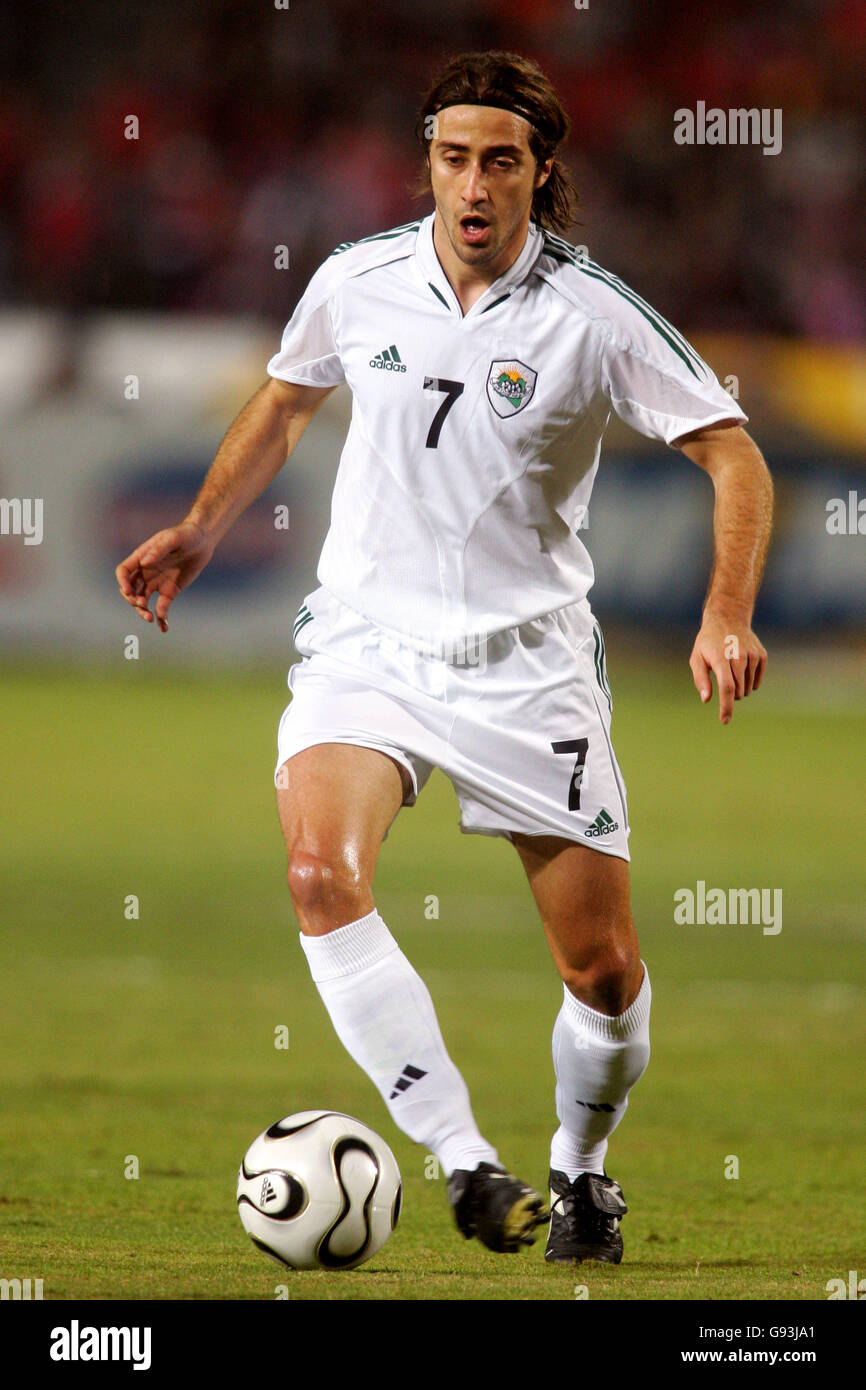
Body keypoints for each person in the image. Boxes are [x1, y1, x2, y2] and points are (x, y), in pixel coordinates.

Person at [116, 51, 772, 1265]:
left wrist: (723, 611)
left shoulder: (590, 313)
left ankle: (580, 1172)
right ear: (426, 161)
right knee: (321, 873)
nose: (473, 184)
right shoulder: (355, 282)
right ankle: (464, 1159)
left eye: (500, 162)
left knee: (605, 973)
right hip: (367, 644)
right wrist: (201, 527)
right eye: (453, 156)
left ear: (538, 175)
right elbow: (283, 399)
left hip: (527, 669)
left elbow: (733, 453)